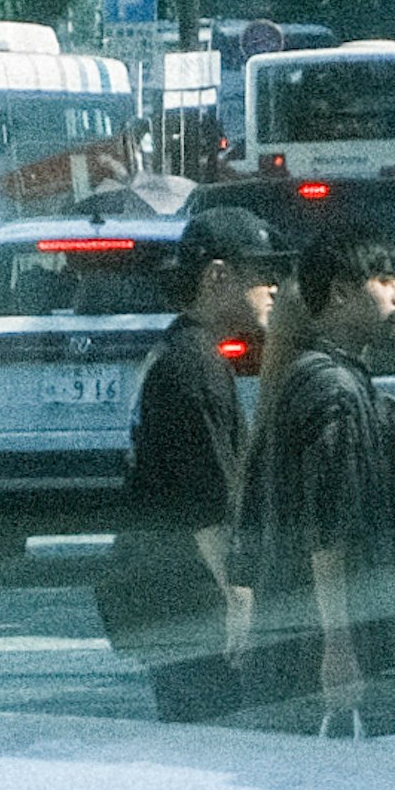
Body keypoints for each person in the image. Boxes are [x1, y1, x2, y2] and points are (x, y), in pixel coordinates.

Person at [236, 221, 395, 728]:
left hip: (352, 631)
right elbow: (327, 531)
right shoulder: (332, 391)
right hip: (332, 643)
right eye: (386, 280)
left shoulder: (352, 384)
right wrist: (339, 647)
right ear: (343, 294)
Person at [99, 204, 273, 720]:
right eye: (262, 273)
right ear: (217, 276)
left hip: (171, 593)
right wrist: (237, 596)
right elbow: (204, 503)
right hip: (189, 596)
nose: (274, 287)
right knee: (212, 744)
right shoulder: (191, 364)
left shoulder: (185, 350)